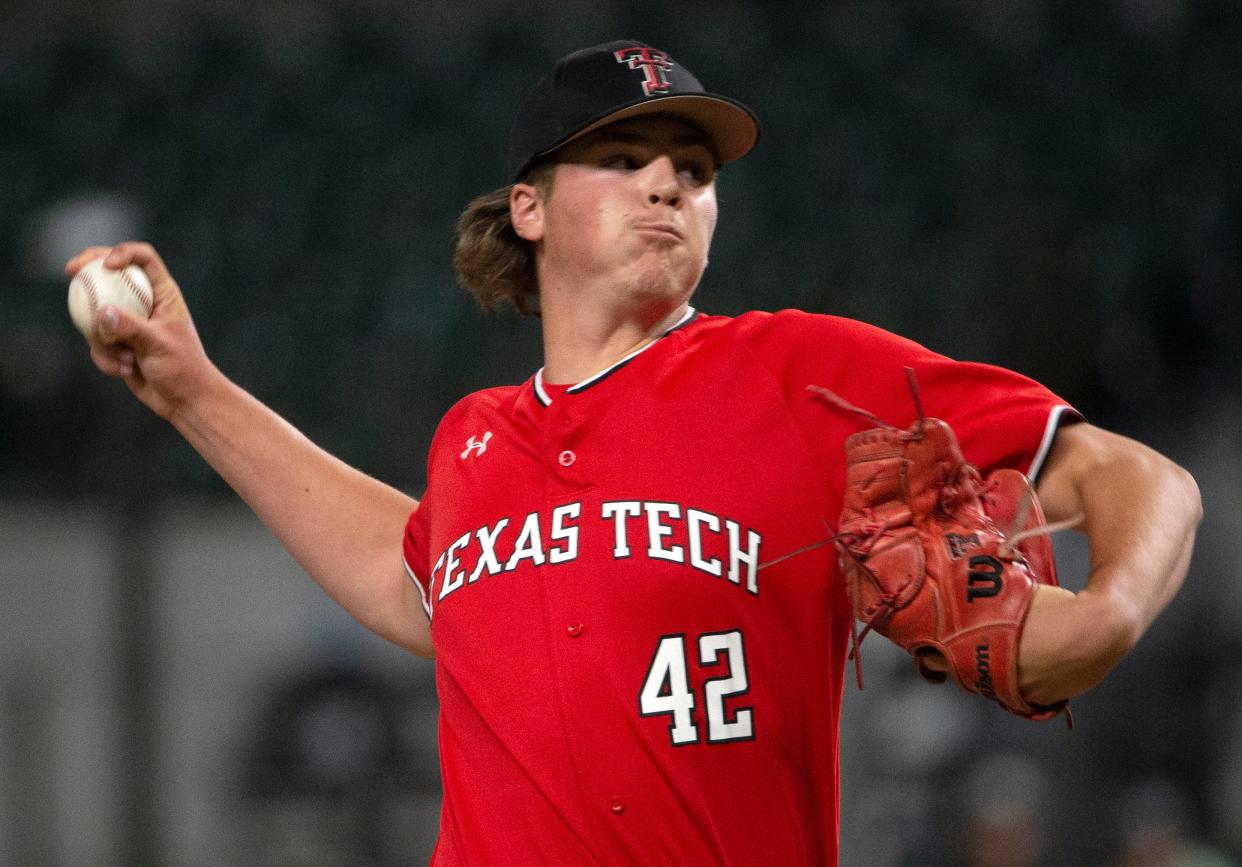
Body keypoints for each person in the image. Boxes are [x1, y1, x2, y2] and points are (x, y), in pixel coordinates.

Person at [69, 40, 1201, 867]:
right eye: (624, 155)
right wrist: (191, 391)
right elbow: (410, 576)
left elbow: (1143, 479)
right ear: (528, 207)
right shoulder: (475, 438)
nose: (670, 181)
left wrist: (1106, 617)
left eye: (695, 172)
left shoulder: (802, 374)